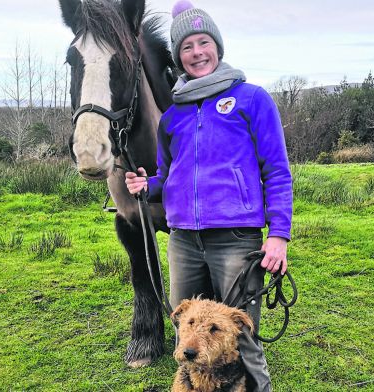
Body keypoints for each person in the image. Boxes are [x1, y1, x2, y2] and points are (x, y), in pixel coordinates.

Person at [125, 1, 292, 391]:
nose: (196, 53)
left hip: (235, 239)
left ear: (217, 46)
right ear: (178, 56)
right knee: (189, 338)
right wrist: (147, 187)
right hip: (183, 239)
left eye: (203, 42)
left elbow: (277, 170)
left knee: (241, 337)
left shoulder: (251, 99)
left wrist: (279, 234)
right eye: (186, 47)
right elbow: (170, 176)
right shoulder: (173, 116)